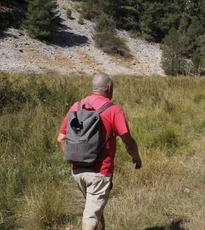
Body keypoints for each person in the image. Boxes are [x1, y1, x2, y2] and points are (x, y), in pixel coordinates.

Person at [57, 72, 142, 230]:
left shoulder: (76, 106)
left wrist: (74, 158)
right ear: (109, 88)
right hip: (100, 173)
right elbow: (127, 141)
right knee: (90, 218)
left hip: (77, 171)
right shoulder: (114, 110)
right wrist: (137, 158)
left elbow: (60, 138)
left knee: (96, 210)